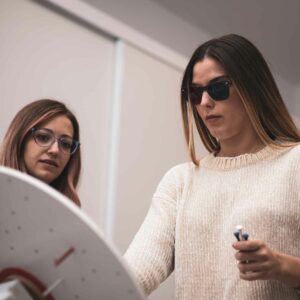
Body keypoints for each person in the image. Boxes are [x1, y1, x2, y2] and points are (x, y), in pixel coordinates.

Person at [124, 34, 300, 299]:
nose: (205, 102)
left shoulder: (294, 164)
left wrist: (281, 266)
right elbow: (141, 267)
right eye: (195, 93)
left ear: (252, 87)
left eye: (218, 88)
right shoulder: (180, 181)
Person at [0, 99, 81, 206]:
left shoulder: (69, 215)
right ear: (20, 140)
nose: (55, 150)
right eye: (43, 137)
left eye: (66, 144)